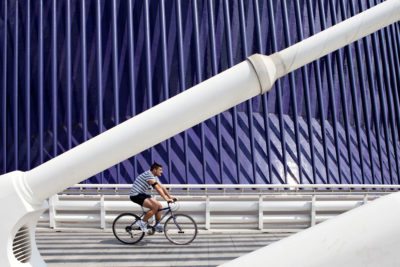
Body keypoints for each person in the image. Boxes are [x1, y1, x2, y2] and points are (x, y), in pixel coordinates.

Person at [129, 163, 177, 233]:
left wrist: (170, 197)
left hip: (141, 194)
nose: (162, 172)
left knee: (159, 206)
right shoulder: (148, 175)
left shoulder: (154, 176)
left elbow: (162, 187)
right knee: (155, 207)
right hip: (135, 195)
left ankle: (157, 225)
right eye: (160, 170)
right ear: (154, 170)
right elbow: (158, 188)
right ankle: (142, 223)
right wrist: (166, 199)